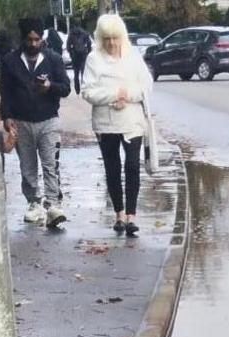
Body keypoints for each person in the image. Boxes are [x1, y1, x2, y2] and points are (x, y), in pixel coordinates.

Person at [82, 13, 153, 238]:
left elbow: (146, 84)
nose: (111, 43)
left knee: (132, 166)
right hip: (105, 124)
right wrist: (114, 94)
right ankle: (119, 214)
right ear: (100, 38)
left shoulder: (133, 56)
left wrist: (128, 95)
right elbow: (88, 91)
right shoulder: (94, 59)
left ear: (121, 36)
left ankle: (132, 215)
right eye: (107, 39)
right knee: (112, 168)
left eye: (115, 38)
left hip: (131, 121)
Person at [0, 18, 72, 228]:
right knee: (27, 165)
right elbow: (5, 92)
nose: (33, 44)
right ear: (23, 39)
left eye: (37, 39)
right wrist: (7, 116)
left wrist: (50, 86)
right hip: (21, 121)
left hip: (48, 120)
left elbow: (66, 88)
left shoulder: (53, 59)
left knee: (50, 164)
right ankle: (34, 203)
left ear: (42, 39)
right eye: (29, 39)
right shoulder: (9, 61)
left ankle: (53, 205)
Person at [67, 23, 93, 92]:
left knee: (76, 72)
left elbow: (68, 45)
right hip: (83, 55)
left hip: (75, 55)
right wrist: (88, 52)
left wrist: (71, 53)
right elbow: (89, 44)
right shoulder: (85, 33)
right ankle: (83, 86)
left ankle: (77, 87)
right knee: (83, 71)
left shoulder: (71, 34)